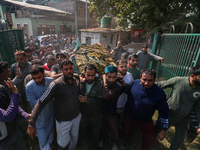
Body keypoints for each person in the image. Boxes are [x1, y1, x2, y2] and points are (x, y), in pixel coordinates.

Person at [27, 60, 81, 150]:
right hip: (63, 121)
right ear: (62, 70)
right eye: (66, 69)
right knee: (63, 143)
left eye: (70, 68)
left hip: (76, 117)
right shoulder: (56, 84)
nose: (69, 71)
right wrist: (31, 123)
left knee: (74, 138)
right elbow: (41, 102)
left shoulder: (76, 81)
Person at [156, 66, 200, 150]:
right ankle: (152, 143)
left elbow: (197, 108)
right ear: (192, 76)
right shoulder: (178, 80)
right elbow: (161, 84)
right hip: (170, 113)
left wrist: (198, 125)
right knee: (157, 130)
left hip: (184, 118)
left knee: (180, 138)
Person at [124, 69, 169, 150]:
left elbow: (164, 111)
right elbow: (128, 91)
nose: (146, 83)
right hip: (129, 116)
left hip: (145, 120)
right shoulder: (135, 83)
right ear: (140, 78)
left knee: (148, 138)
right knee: (127, 130)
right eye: (144, 79)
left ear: (154, 80)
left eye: (150, 80)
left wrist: (164, 130)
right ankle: (128, 142)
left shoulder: (159, 93)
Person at [0, 61, 30, 150]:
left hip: (13, 132)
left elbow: (12, 104)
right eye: (6, 72)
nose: (9, 73)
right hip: (2, 141)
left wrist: (26, 116)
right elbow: (7, 116)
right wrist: (15, 94)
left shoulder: (2, 88)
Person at [26, 65, 54, 150]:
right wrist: (46, 96)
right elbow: (33, 103)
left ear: (43, 74)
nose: (37, 80)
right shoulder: (29, 87)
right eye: (34, 78)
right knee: (43, 143)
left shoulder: (51, 82)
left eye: (39, 77)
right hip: (40, 120)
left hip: (51, 115)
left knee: (50, 137)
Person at [79, 64, 105, 150]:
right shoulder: (80, 82)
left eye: (92, 75)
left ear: (96, 74)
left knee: (96, 133)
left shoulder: (100, 83)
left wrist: (88, 100)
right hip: (83, 113)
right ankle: (84, 143)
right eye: (88, 75)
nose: (90, 78)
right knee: (83, 130)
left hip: (95, 114)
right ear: (84, 74)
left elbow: (102, 101)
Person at [102, 66, 123, 150]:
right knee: (101, 127)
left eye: (114, 77)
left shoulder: (118, 86)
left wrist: (104, 82)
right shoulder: (100, 82)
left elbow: (107, 96)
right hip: (102, 110)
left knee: (114, 130)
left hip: (112, 111)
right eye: (109, 77)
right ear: (106, 75)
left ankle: (112, 142)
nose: (111, 79)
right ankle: (101, 140)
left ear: (116, 76)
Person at [116, 59, 134, 129]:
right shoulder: (113, 76)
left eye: (125, 66)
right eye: (121, 67)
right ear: (117, 67)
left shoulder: (130, 76)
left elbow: (132, 90)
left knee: (123, 122)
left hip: (125, 105)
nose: (124, 68)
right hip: (115, 105)